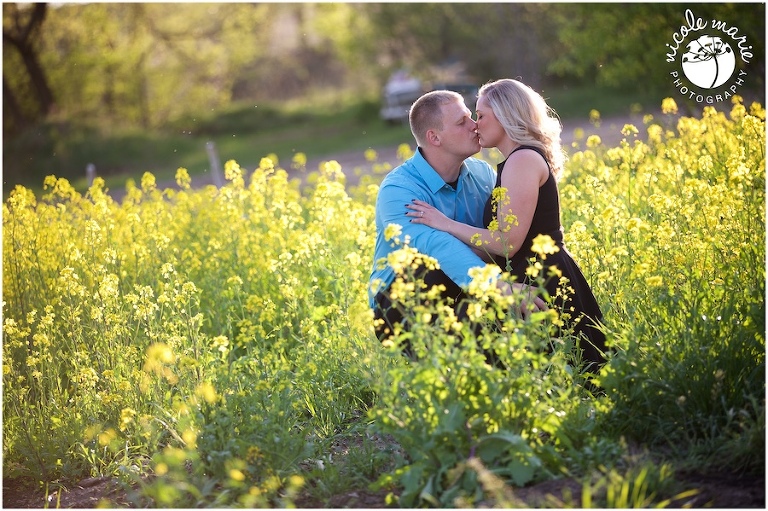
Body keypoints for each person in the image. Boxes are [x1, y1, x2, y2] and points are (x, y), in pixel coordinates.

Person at [405, 79, 607, 371]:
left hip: (545, 280)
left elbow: (507, 243)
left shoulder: (522, 160)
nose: (476, 124)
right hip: (534, 276)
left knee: (574, 375)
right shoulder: (514, 161)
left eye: (481, 115)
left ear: (504, 115)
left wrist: (445, 223)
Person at [369, 89, 546, 354]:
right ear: (434, 137)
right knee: (425, 269)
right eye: (462, 121)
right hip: (403, 300)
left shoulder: (482, 174)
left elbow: (498, 239)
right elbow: (436, 247)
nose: (474, 125)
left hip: (467, 287)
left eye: (471, 117)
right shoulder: (399, 190)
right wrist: (497, 287)